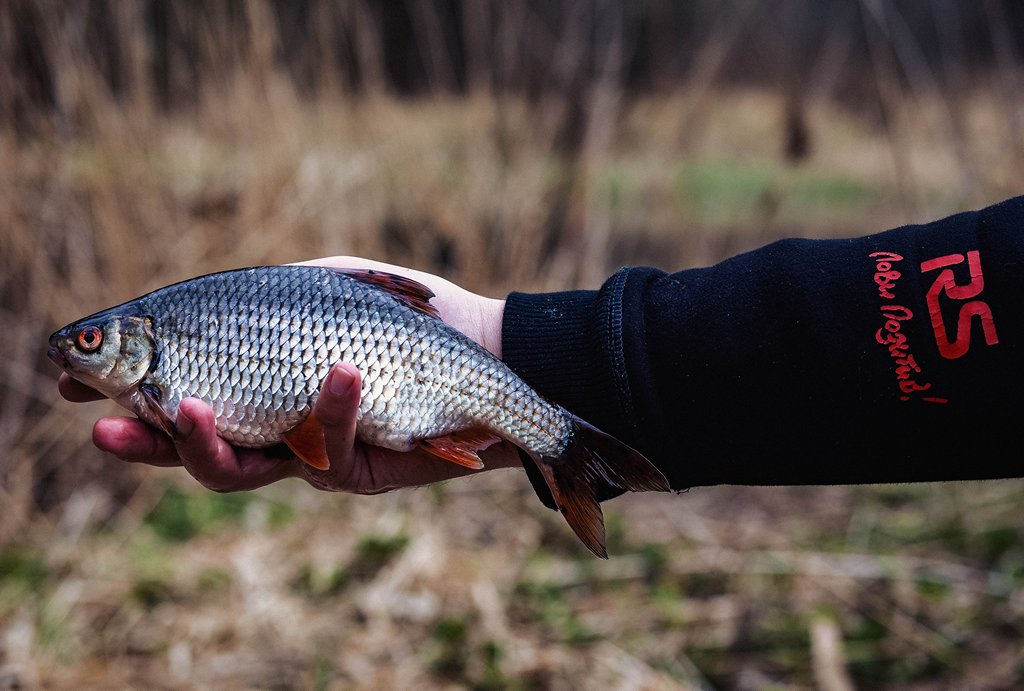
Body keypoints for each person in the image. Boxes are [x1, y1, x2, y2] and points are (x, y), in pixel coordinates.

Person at [58, 195, 1024, 508]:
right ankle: (564, 437)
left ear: (138, 339)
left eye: (96, 340)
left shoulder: (176, 336)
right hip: (426, 360)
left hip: (416, 368)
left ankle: (568, 444)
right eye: (90, 343)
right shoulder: (177, 341)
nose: (85, 352)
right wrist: (490, 332)